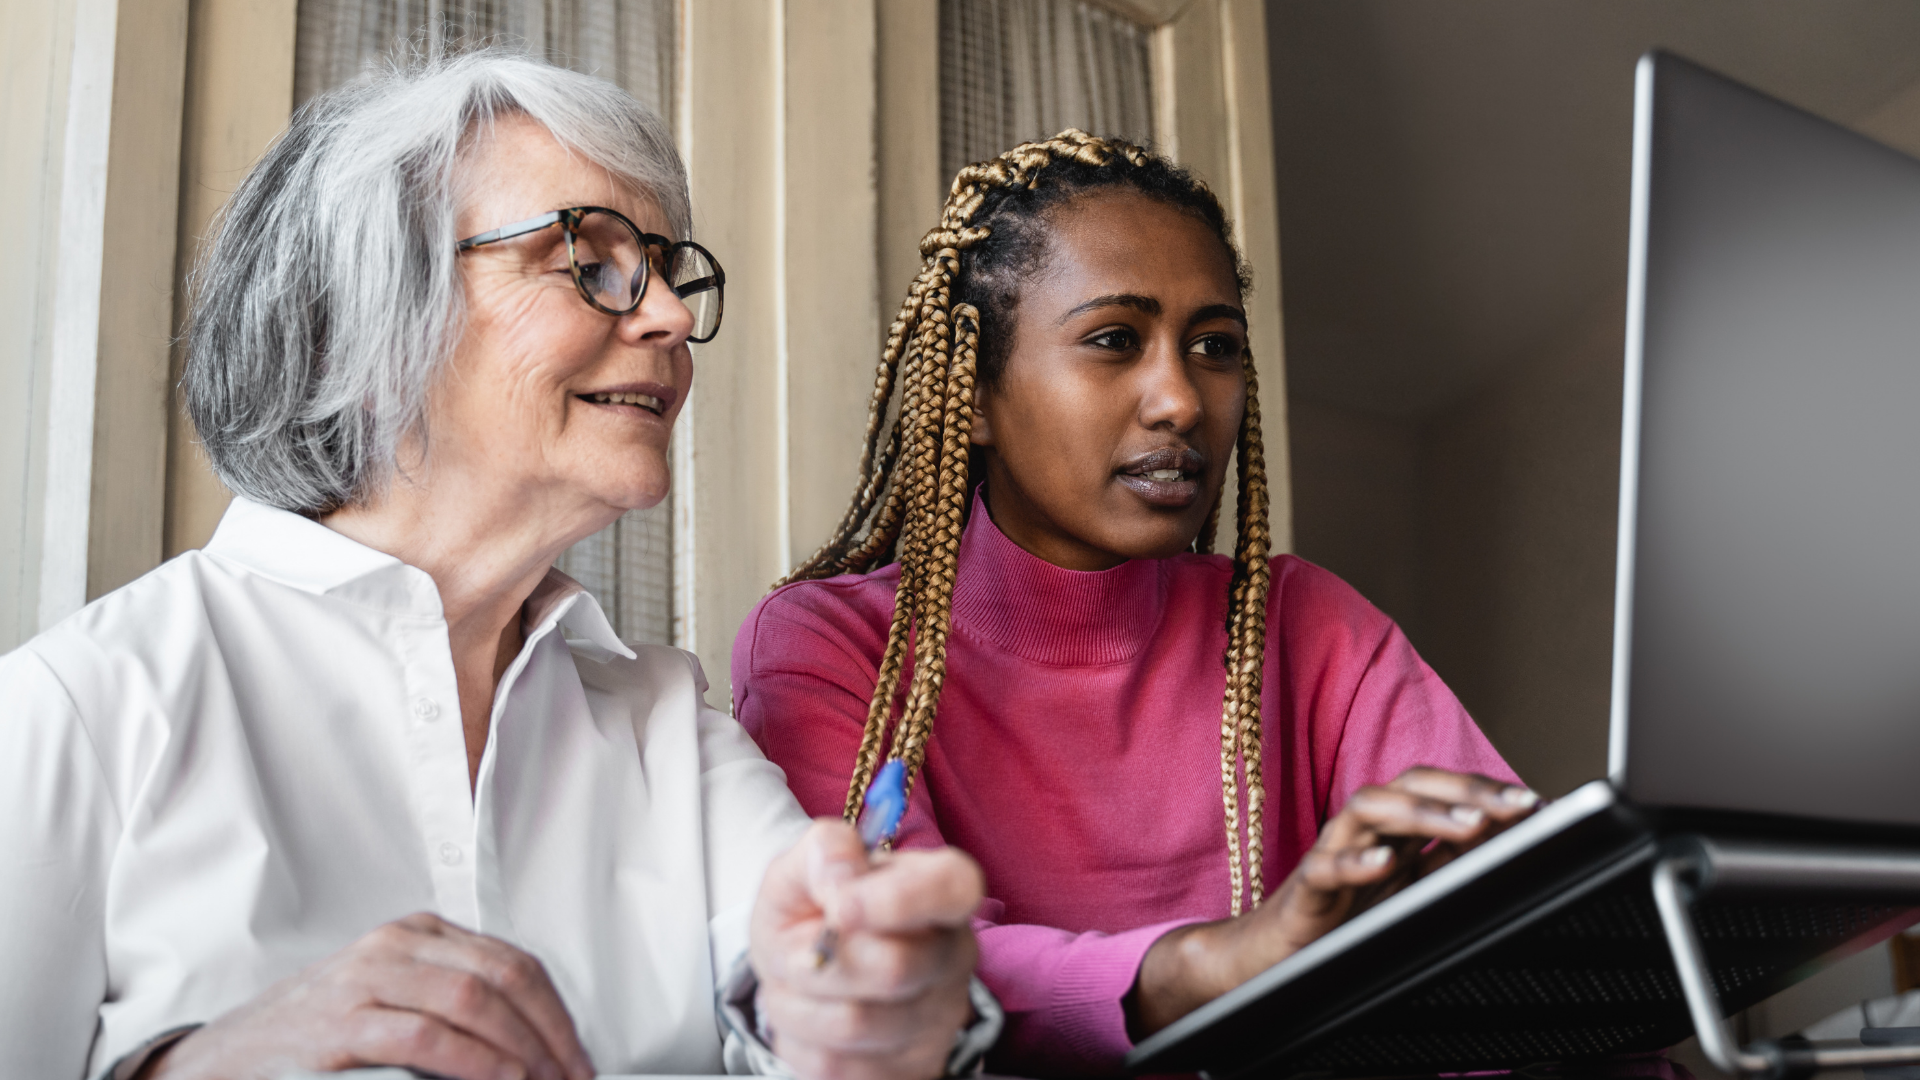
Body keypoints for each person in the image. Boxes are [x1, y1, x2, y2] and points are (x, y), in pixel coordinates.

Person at [0, 52, 997, 1080]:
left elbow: (824, 1002)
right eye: (594, 262)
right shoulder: (76, 711)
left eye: (666, 268)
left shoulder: (670, 738)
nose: (673, 317)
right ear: (372, 317)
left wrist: (864, 1010)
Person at [732, 131, 1536, 1076]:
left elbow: (1514, 935)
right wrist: (1230, 956)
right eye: (1116, 340)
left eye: (1215, 347)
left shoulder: (1303, 623)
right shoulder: (834, 646)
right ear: (975, 390)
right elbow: (899, 963)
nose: (1181, 401)